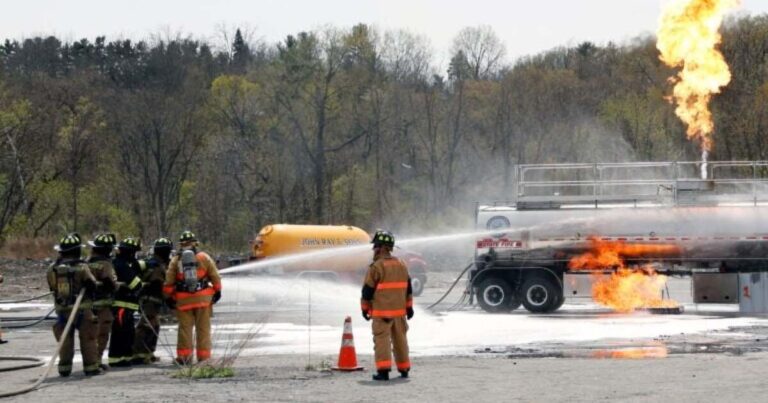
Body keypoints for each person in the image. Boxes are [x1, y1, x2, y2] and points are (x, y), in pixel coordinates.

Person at [360, 230, 414, 381]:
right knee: (401, 341)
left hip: (382, 314)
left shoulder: (376, 267)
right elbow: (408, 289)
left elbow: (367, 292)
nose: (373, 249)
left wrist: (364, 309)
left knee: (382, 341)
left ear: (381, 247)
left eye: (375, 246)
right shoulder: (402, 264)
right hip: (399, 314)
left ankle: (383, 372)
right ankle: (404, 369)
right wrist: (409, 307)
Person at [163, 230, 222, 365]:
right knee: (203, 329)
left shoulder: (175, 260)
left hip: (183, 301)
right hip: (203, 300)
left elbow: (168, 282)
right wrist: (217, 291)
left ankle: (184, 358)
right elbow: (215, 275)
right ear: (195, 243)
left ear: (181, 245)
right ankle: (204, 358)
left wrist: (168, 297)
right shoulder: (204, 257)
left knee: (185, 330)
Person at [47, 233, 102, 376]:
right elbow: (92, 285)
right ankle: (91, 368)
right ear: (77, 250)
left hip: (62, 311)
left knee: (64, 342)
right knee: (89, 339)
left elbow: (52, 287)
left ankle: (64, 369)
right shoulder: (82, 267)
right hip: (82, 310)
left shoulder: (52, 269)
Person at [132, 237, 173, 364]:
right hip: (150, 300)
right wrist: (168, 299)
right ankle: (138, 354)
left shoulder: (155, 262)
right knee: (145, 326)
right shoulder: (157, 266)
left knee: (154, 325)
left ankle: (148, 353)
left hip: (152, 299)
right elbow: (157, 283)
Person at [108, 237, 143, 367]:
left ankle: (126, 357)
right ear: (130, 252)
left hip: (128, 305)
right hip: (121, 305)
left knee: (128, 332)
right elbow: (136, 284)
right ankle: (116, 359)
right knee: (120, 332)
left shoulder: (126, 263)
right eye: (134, 252)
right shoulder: (121, 264)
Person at [86, 233, 118, 370]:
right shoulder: (106, 265)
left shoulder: (86, 262)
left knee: (89, 335)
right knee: (102, 334)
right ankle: (96, 360)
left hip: (87, 304)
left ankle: (92, 361)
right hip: (103, 305)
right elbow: (112, 284)